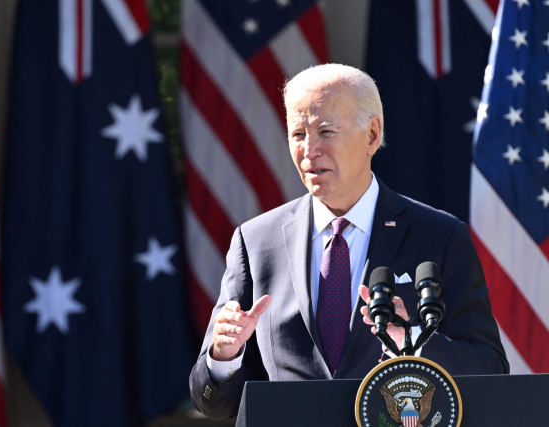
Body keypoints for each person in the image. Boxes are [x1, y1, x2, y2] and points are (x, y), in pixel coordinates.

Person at [189, 64, 508, 420]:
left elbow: (490, 370)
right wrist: (223, 357)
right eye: (298, 134)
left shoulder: (440, 236)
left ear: (372, 135)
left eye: (326, 131)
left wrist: (415, 341)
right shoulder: (256, 241)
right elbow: (213, 403)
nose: (309, 150)